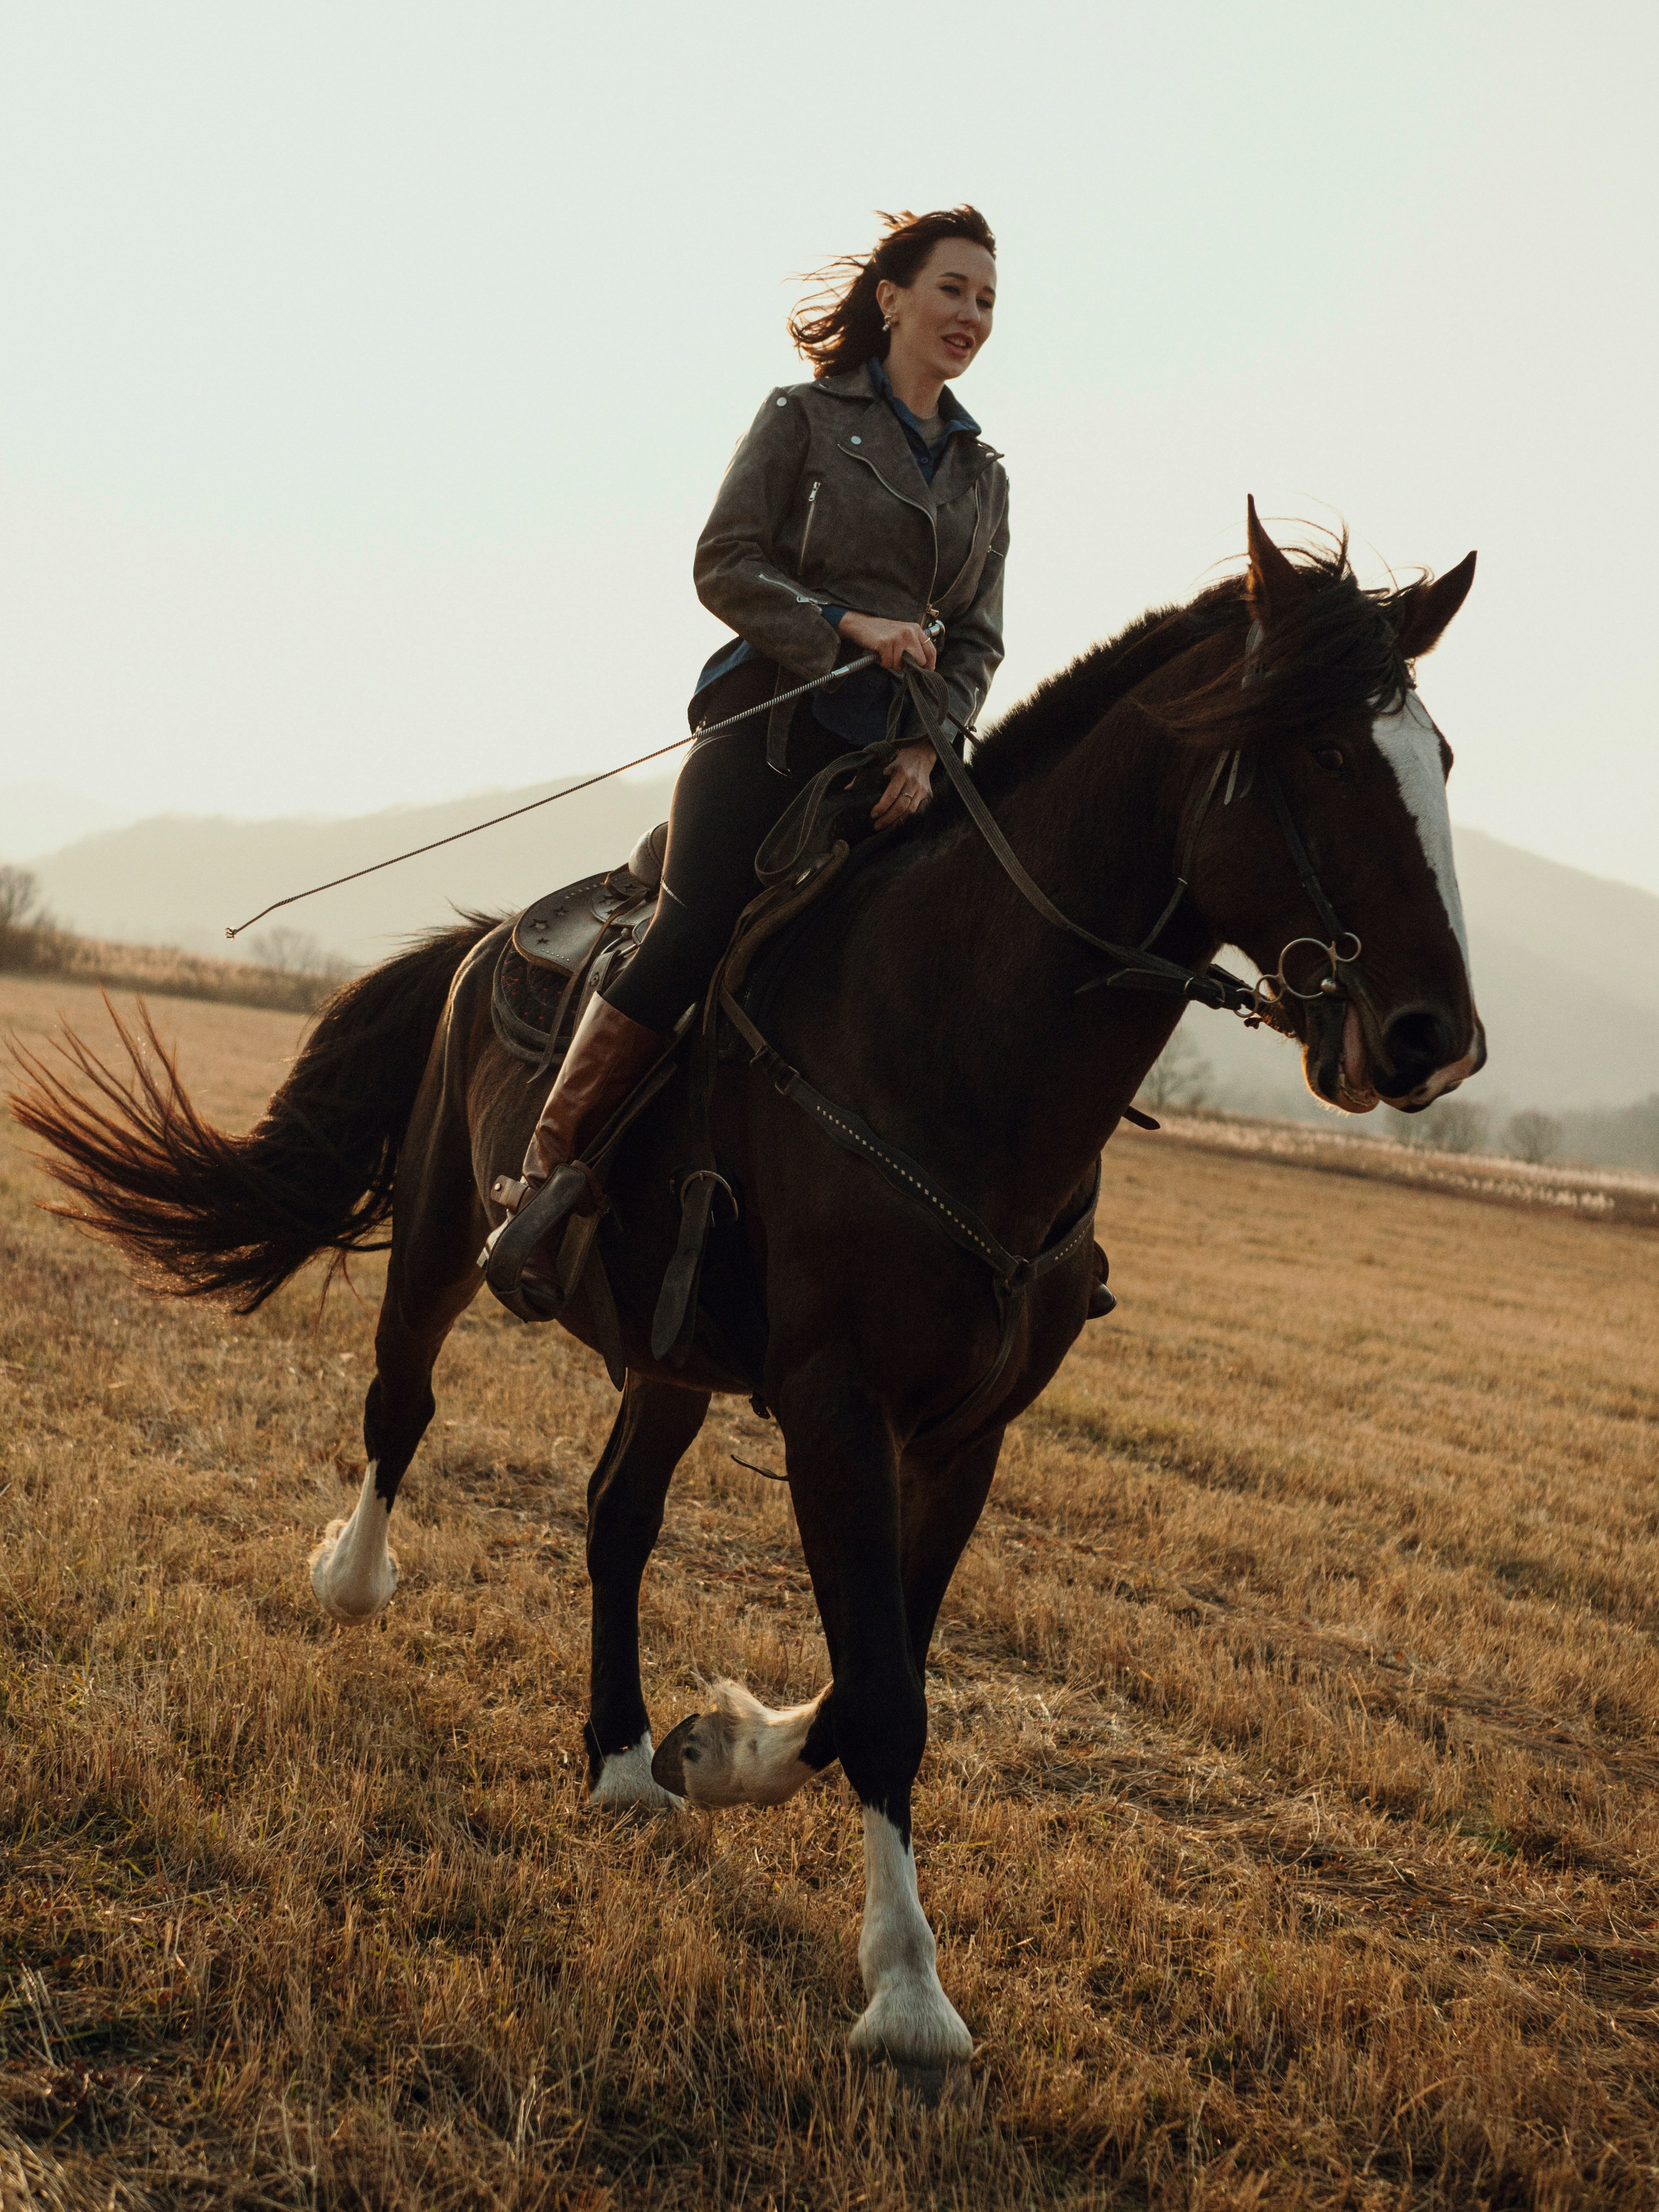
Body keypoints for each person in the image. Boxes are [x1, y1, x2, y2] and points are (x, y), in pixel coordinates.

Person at [489, 205, 1009, 1312]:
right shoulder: (801, 418)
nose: (971, 314)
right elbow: (723, 562)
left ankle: (1009, 1229)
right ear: (892, 299)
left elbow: (978, 642)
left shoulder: (985, 476)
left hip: (895, 772)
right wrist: (845, 624)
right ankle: (541, 1177)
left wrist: (927, 750)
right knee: (689, 931)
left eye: (987, 300)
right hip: (764, 737)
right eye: (953, 290)